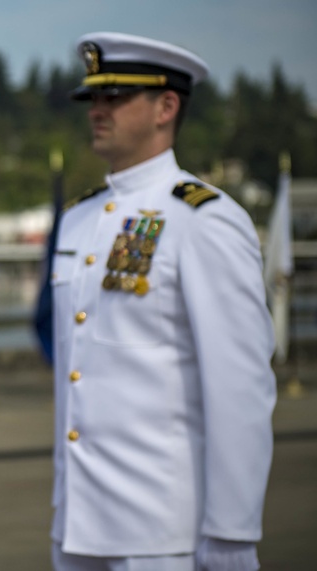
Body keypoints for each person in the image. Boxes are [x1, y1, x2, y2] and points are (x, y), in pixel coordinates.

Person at [49, 32, 276, 571]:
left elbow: (239, 386)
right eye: (93, 98)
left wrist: (232, 529)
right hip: (78, 524)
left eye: (116, 97)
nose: (98, 110)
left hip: (164, 532)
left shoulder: (203, 218)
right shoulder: (78, 218)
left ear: (166, 107)